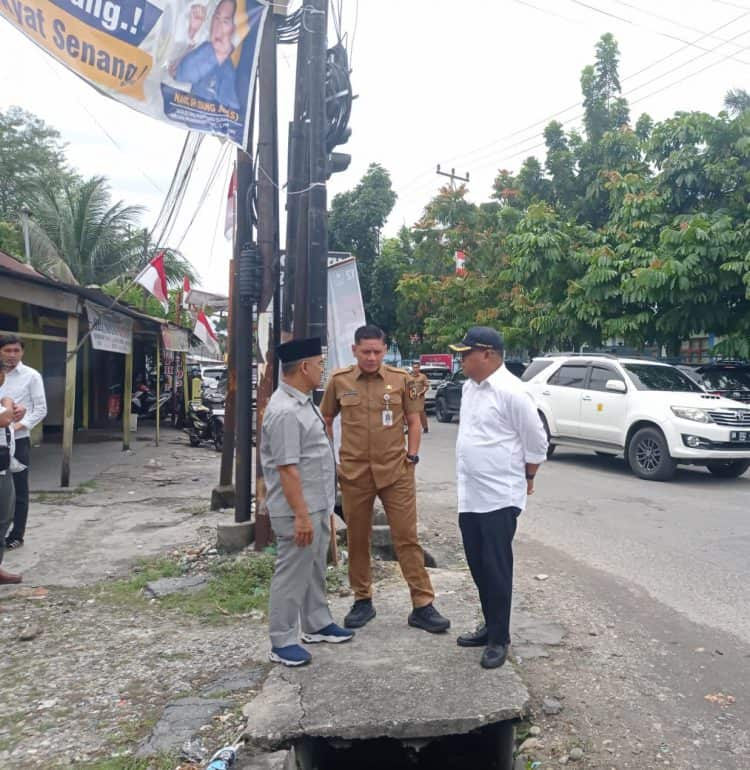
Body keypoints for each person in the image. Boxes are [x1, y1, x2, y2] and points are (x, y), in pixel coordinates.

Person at [320, 325, 450, 634]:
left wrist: (412, 457)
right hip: (354, 474)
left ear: (384, 349)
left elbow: (415, 422)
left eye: (377, 351)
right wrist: (331, 460)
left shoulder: (401, 380)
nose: (371, 357)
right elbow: (326, 419)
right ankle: (362, 599)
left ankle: (423, 605)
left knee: (406, 538)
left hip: (396, 472)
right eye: (365, 351)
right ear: (354, 350)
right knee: (358, 538)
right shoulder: (339, 382)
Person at [449, 327, 548, 668]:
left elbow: (536, 442)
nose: (461, 359)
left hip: (499, 496)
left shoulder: (513, 392)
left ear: (487, 354)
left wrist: (529, 478)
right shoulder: (469, 388)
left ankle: (499, 638)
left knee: (496, 567)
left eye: (466, 353)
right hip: (471, 493)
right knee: (478, 565)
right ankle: (489, 625)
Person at [261, 337, 354, 667]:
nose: (321, 370)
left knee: (314, 565)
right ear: (303, 367)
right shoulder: (285, 411)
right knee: (292, 571)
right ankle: (282, 639)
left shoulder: (302, 401)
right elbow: (287, 469)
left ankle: (316, 623)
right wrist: (301, 516)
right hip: (298, 509)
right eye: (318, 364)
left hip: (316, 503)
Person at [0, 335, 47, 550]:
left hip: (18, 441)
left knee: (18, 489)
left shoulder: (31, 376)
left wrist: (15, 427)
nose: (12, 355)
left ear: (22, 352)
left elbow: (41, 409)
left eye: (16, 350)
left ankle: (16, 534)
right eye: (7, 350)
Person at [175, 0, 240, 109]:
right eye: (217, 18)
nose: (219, 27)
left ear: (232, 29)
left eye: (225, 21)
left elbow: (231, 113)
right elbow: (174, 71)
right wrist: (192, 32)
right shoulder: (202, 44)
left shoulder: (226, 69)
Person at [0, 385, 22, 584]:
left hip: (4, 464)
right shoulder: (3, 400)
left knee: (4, 518)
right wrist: (7, 402)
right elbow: (4, 419)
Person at [409, 361, 430, 433]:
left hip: (420, 398)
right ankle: (410, 428)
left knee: (421, 412)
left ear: (419, 368)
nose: (415, 369)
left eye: (417, 367)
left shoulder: (422, 376)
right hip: (411, 397)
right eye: (414, 367)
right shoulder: (409, 377)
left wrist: (421, 392)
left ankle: (425, 427)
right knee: (410, 412)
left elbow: (426, 386)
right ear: (412, 368)